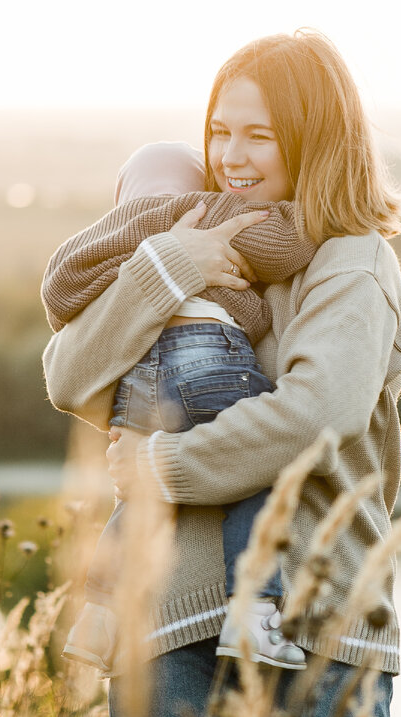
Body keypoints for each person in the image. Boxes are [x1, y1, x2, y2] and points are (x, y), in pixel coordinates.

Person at [43, 29, 401, 717]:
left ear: (314, 141)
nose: (230, 156)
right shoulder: (183, 243)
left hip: (318, 638)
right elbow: (68, 375)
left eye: (259, 135)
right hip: (167, 634)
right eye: (219, 131)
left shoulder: (353, 262)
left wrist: (163, 469)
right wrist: (170, 266)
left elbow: (319, 412)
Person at [44, 140, 320, 674]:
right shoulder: (202, 211)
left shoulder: (106, 235)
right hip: (209, 356)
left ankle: (98, 616)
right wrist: (295, 219)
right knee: (254, 469)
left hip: (139, 380)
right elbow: (283, 247)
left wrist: (132, 279)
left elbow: (61, 293)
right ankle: (256, 612)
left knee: (142, 492)